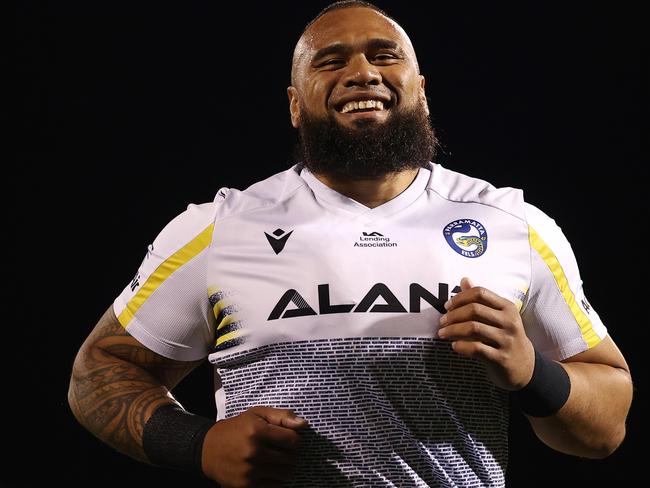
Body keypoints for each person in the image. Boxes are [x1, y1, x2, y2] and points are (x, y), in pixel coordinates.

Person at [68, 1, 633, 487]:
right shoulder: (219, 229)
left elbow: (606, 424)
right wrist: (197, 444)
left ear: (422, 92)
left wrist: (533, 372)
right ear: (295, 104)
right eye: (331, 60)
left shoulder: (511, 222)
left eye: (385, 55)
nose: (362, 72)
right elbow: (99, 370)